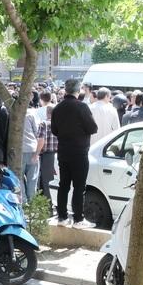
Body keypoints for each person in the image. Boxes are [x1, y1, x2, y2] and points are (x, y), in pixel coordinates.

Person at [50, 79, 98, 227]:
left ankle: (62, 217)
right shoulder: (82, 107)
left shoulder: (57, 108)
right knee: (79, 187)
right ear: (78, 91)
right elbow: (93, 128)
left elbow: (54, 130)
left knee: (63, 185)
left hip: (63, 151)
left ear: (65, 90)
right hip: (79, 152)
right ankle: (78, 219)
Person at [36, 104, 57, 211]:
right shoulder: (60, 123)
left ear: (47, 113)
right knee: (54, 181)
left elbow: (41, 140)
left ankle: (48, 208)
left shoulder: (44, 124)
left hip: (46, 155)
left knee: (46, 182)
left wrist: (36, 153)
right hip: (57, 155)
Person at [20, 107, 41, 200]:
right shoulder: (30, 114)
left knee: (19, 178)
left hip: (19, 150)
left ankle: (23, 201)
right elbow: (37, 132)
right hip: (32, 148)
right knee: (32, 179)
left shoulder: (11, 113)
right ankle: (32, 202)